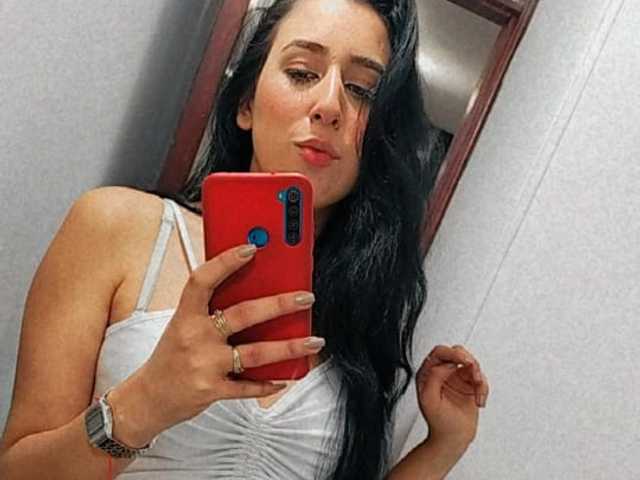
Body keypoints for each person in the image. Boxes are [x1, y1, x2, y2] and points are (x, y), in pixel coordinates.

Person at [0, 0, 490, 478]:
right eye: (302, 73)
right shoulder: (117, 225)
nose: (329, 106)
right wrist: (147, 401)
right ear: (246, 104)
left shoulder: (362, 308)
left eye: (362, 90)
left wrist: (442, 446)